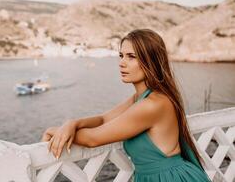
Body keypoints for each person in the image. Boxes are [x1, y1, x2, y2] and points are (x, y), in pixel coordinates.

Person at [41, 29, 211, 181]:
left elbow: (93, 139)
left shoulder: (153, 104)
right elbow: (102, 119)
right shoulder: (139, 99)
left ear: (151, 61)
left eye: (131, 57)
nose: (122, 63)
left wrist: (54, 131)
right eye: (121, 55)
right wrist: (72, 123)